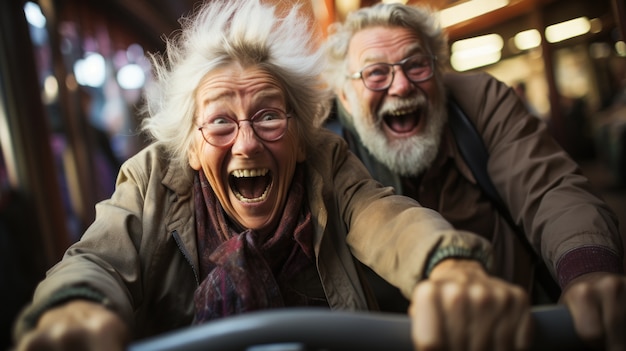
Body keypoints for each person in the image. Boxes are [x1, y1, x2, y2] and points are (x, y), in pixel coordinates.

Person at [12, 1, 538, 350]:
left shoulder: (324, 160)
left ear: (298, 129)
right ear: (192, 146)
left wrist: (444, 266)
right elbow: (99, 257)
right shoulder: (151, 178)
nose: (246, 142)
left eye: (267, 115)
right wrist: (76, 304)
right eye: (219, 122)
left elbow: (385, 215)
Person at [323, 2, 626, 350]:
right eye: (376, 72)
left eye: (417, 64)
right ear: (345, 96)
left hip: (525, 331)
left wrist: (588, 267)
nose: (402, 85)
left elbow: (548, 186)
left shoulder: (480, 100)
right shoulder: (329, 148)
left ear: (438, 72)